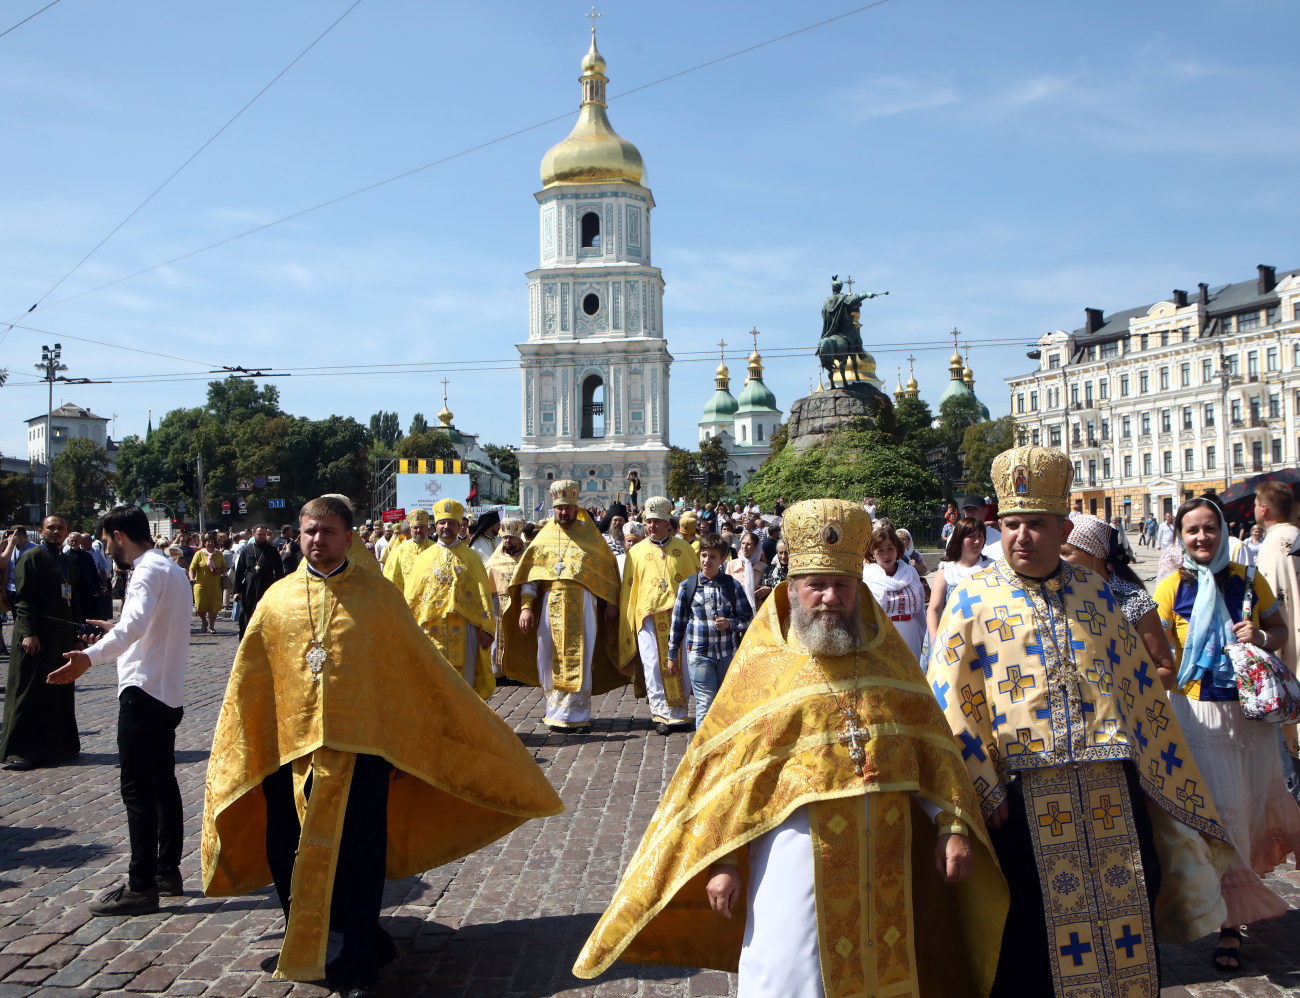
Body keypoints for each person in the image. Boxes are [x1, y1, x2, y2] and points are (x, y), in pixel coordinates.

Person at [574, 499, 1006, 995]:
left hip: (886, 857)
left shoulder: (892, 664)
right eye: (815, 585)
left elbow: (931, 749)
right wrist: (724, 863)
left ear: (858, 589)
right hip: (791, 857)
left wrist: (951, 827)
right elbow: (726, 779)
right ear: (792, 590)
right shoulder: (764, 670)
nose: (828, 597)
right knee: (791, 973)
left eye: (841, 585)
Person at [200, 496, 563, 996]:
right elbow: (252, 680)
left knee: (359, 853)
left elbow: (413, 671)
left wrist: (406, 740)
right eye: (308, 531)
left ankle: (358, 954)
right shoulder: (276, 599)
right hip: (289, 752)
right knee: (289, 846)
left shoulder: (379, 598)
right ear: (297, 534)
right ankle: (311, 932)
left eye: (327, 531)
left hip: (363, 750)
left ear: (349, 537)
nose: (316, 540)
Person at [931, 446, 1233, 997]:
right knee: (1032, 944)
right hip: (1022, 799)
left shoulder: (1096, 592)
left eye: (1036, 525)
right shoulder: (971, 597)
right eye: (1012, 524)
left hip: (1109, 793)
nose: (1021, 536)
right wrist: (981, 787)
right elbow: (951, 700)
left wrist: (1156, 778)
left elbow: (1138, 690)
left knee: (1125, 925)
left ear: (1063, 527)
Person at [1154, 496, 1300, 970]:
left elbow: (1278, 628)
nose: (1201, 538)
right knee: (1215, 817)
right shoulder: (1170, 587)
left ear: (1222, 532)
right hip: (1197, 716)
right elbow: (1156, 653)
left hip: (1248, 717)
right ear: (1180, 535)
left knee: (1246, 811)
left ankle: (1233, 920)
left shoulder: (1247, 580)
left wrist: (1259, 638)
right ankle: (1219, 916)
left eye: (1209, 529)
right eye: (1192, 530)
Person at [48, 505, 192, 915]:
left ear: (117, 534)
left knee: (138, 790)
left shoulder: (147, 570)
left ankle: (141, 883)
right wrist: (116, 630)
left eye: (107, 539)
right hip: (167, 692)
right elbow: (148, 625)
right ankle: (166, 870)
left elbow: (134, 629)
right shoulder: (171, 569)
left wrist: (88, 657)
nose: (106, 547)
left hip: (144, 691)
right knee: (162, 783)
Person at [501, 480, 626, 733]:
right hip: (550, 605)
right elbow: (530, 579)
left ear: (576, 507)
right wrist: (526, 608)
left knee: (584, 654)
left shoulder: (591, 538)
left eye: (568, 507)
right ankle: (555, 710)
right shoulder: (542, 540)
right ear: (553, 508)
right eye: (559, 508)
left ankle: (578, 712)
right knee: (548, 657)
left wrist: (611, 602)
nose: (563, 512)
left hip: (584, 607)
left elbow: (607, 572)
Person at [1, 515, 82, 770]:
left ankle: (60, 747)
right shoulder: (32, 557)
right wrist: (28, 632)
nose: (56, 532)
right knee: (29, 691)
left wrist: (77, 636)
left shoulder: (66, 560)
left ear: (67, 531)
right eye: (51, 528)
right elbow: (24, 599)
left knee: (58, 690)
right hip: (35, 635)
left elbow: (73, 599)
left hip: (60, 636)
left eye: (61, 528)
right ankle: (21, 751)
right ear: (41, 530)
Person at [1062, 514, 1175, 688]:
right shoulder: (1058, 596)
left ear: (1094, 556)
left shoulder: (1134, 600)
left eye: (1066, 553)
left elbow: (1168, 674)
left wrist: (1115, 679)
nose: (1059, 561)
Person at [620, 496, 699, 735]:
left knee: (681, 665)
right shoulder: (636, 552)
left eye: (657, 521)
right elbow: (629, 587)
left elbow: (696, 581)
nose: (652, 526)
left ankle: (679, 712)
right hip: (647, 617)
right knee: (653, 664)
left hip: (679, 616)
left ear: (668, 523)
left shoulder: (684, 549)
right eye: (648, 521)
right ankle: (660, 713)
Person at [403, 499, 496, 700]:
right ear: (435, 526)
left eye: (452, 523)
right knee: (433, 680)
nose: (446, 527)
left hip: (466, 629)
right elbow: (413, 595)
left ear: (459, 526)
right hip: (431, 629)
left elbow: (483, 593)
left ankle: (465, 726)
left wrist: (486, 627)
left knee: (464, 682)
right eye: (442, 523)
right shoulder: (423, 559)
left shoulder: (471, 557)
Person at [667, 533, 752, 726]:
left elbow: (748, 619)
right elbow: (677, 623)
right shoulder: (688, 586)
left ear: (722, 560)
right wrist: (672, 655)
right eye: (704, 555)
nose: (707, 561)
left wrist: (730, 624)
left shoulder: (732, 585)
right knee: (705, 704)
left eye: (712, 557)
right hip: (699, 654)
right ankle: (703, 752)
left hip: (726, 654)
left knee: (723, 704)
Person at [1252, 481, 1300, 799]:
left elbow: (1268, 608)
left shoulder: (1271, 547)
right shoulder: (1296, 537)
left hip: (1290, 663)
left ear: (1264, 509)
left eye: (1256, 504)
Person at [924, 517, 992, 650]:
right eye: (971, 537)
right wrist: (935, 641)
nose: (977, 541)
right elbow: (934, 609)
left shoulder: (991, 567)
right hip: (950, 639)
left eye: (980, 536)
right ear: (959, 539)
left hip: (983, 637)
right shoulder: (947, 569)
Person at [862, 522, 926, 662]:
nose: (886, 555)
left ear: (897, 549)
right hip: (882, 636)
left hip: (910, 633)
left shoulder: (910, 573)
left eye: (890, 549)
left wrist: (924, 639)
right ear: (872, 552)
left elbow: (920, 610)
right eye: (880, 550)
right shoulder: (867, 577)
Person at [483, 518, 526, 680]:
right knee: (498, 639)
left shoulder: (527, 559)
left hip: (521, 605)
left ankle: (519, 673)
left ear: (518, 537)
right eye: (505, 537)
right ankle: (498, 671)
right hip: (498, 607)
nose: (507, 541)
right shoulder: (494, 561)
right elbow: (487, 587)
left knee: (520, 640)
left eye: (511, 537)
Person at [233, 524, 287, 638]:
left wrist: (280, 590)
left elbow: (279, 572)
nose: (262, 537)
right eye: (259, 534)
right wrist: (237, 591)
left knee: (266, 614)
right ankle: (246, 638)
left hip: (267, 586)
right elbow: (239, 572)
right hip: (249, 587)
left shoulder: (272, 551)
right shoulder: (246, 551)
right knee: (246, 614)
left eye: (264, 534)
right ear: (253, 534)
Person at [381, 508, 433, 592]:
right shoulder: (400, 550)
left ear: (427, 529)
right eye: (415, 527)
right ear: (410, 530)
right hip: (407, 599)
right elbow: (391, 577)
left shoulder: (436, 548)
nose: (418, 530)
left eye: (422, 527)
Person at [189, 533, 226, 634]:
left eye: (212, 541)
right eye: (208, 541)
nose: (210, 543)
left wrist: (219, 571)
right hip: (201, 585)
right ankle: (204, 621)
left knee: (214, 606)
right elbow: (192, 568)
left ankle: (212, 625)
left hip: (215, 585)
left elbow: (224, 567)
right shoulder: (199, 554)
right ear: (204, 543)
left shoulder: (218, 554)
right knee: (200, 605)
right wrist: (192, 578)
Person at [724, 529, 767, 611]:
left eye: (748, 544)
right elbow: (726, 588)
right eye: (743, 543)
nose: (744, 547)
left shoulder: (763, 568)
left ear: (756, 547)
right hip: (736, 609)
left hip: (757, 610)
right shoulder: (732, 564)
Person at [754, 539, 788, 607]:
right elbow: (763, 594)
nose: (783, 556)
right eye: (780, 553)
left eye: (786, 552)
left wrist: (771, 590)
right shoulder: (770, 570)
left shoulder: (796, 571)